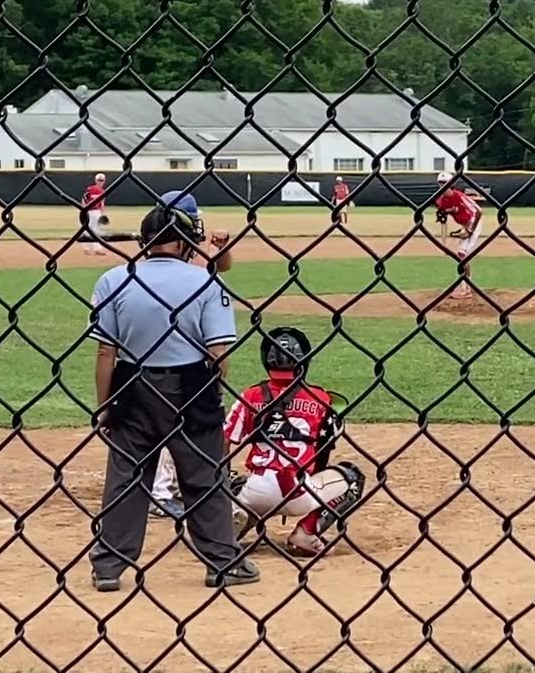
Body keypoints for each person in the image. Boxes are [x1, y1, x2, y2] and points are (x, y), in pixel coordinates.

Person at [87, 205, 259, 591]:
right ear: (183, 242)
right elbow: (220, 354)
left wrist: (104, 405)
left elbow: (104, 353)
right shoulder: (205, 282)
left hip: (131, 384)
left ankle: (109, 567)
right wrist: (208, 394)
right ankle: (221, 563)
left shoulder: (114, 279)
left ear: (144, 242)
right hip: (191, 383)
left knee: (126, 477)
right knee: (204, 477)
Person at [225, 326, 365, 558]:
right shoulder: (320, 398)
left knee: (236, 483)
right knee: (352, 477)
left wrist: (222, 480)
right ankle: (307, 532)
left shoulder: (250, 396)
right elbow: (323, 450)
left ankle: (234, 519)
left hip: (256, 491)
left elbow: (224, 439)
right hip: (297, 491)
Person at [145, 189, 235, 520]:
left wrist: (221, 247)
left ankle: (175, 483)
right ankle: (159, 490)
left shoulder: (182, 253)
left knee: (176, 422)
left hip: (182, 354)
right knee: (174, 421)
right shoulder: (180, 262)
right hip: (176, 355)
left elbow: (219, 266)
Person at [433, 172, 483, 299]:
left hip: (473, 224)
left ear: (452, 184)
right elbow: (443, 222)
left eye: (445, 183)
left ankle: (466, 289)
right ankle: (466, 286)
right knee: (462, 256)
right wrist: (443, 244)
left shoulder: (459, 196)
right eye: (440, 183)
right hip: (464, 225)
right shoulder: (440, 200)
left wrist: (470, 230)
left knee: (463, 255)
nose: (442, 185)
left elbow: (478, 211)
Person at [82, 173, 109, 256]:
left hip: (97, 212)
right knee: (89, 229)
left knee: (96, 230)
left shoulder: (103, 191)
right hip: (89, 211)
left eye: (102, 180)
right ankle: (87, 248)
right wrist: (84, 210)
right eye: (99, 180)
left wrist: (102, 213)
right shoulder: (90, 189)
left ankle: (96, 248)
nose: (100, 182)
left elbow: (102, 203)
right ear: (95, 180)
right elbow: (83, 199)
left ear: (104, 181)